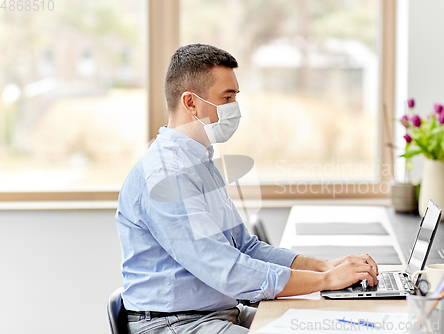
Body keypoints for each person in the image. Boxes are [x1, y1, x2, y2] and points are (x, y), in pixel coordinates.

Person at [115, 43, 379, 334]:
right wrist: (326, 281)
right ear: (190, 103)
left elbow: (246, 248)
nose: (234, 109)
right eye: (226, 98)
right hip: (177, 324)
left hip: (221, 313)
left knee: (333, 326)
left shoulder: (199, 162)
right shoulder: (166, 174)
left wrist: (323, 266)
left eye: (235, 98)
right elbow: (227, 270)